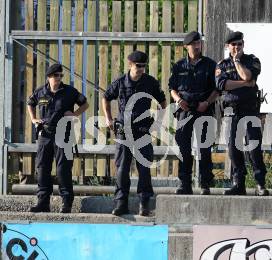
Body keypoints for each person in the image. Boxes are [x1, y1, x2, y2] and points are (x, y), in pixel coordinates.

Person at [102, 50, 166, 216]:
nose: (141, 69)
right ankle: (121, 204)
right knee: (122, 169)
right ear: (130, 65)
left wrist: (158, 122)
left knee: (144, 169)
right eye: (138, 66)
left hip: (142, 131)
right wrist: (108, 118)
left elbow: (163, 101)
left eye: (144, 66)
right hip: (124, 131)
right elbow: (106, 97)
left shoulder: (150, 82)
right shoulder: (120, 82)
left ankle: (144, 204)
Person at [27, 63, 89, 213]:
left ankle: (66, 203)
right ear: (49, 77)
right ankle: (43, 202)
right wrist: (34, 119)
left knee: (63, 170)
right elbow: (30, 103)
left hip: (64, 134)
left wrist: (74, 115)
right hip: (45, 135)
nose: (59, 78)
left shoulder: (69, 91)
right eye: (56, 76)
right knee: (42, 169)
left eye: (61, 76)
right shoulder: (40, 92)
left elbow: (85, 104)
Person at [216, 31, 268, 196]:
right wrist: (245, 83)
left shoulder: (252, 60)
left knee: (254, 147)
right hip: (231, 110)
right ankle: (239, 183)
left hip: (250, 109)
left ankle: (260, 183)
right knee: (233, 148)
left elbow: (248, 75)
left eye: (239, 44)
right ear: (228, 46)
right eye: (233, 44)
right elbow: (223, 85)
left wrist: (238, 61)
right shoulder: (222, 65)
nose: (236, 47)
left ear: (243, 44)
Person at [169, 31, 218, 195]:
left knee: (204, 148)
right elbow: (172, 89)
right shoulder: (178, 66)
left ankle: (205, 183)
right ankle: (184, 183)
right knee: (184, 148)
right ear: (186, 46)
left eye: (199, 43)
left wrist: (207, 102)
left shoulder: (210, 65)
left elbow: (217, 89)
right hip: (184, 110)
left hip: (203, 109)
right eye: (194, 44)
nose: (197, 46)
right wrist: (178, 100)